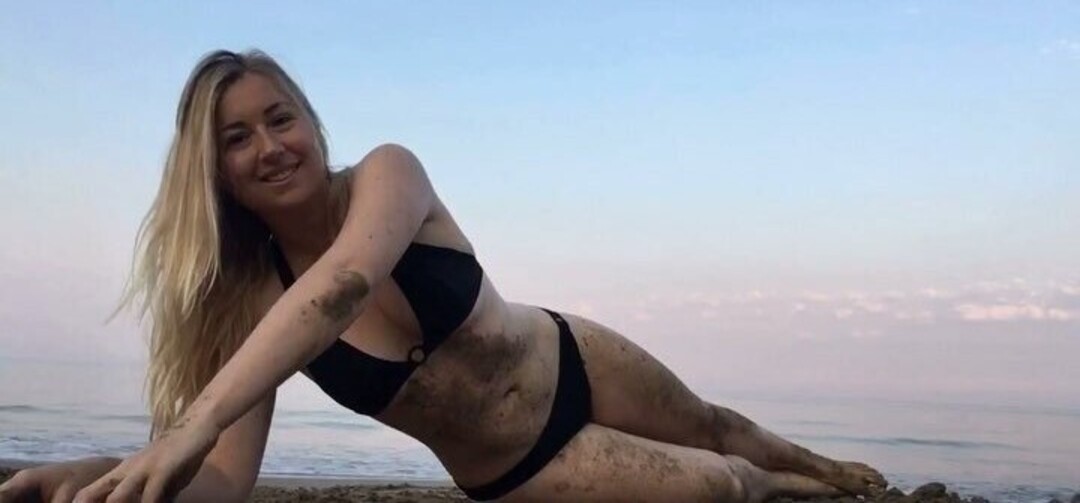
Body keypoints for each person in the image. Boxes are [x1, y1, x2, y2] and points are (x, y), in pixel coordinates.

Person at [0, 49, 887, 503]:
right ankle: (789, 488)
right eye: (238, 138)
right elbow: (225, 483)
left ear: (313, 122)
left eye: (281, 118)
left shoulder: (388, 175)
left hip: (569, 356)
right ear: (215, 172)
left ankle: (829, 471)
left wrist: (192, 421)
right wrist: (113, 471)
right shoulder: (249, 302)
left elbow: (346, 282)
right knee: (720, 484)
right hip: (523, 463)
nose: (270, 146)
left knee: (719, 425)